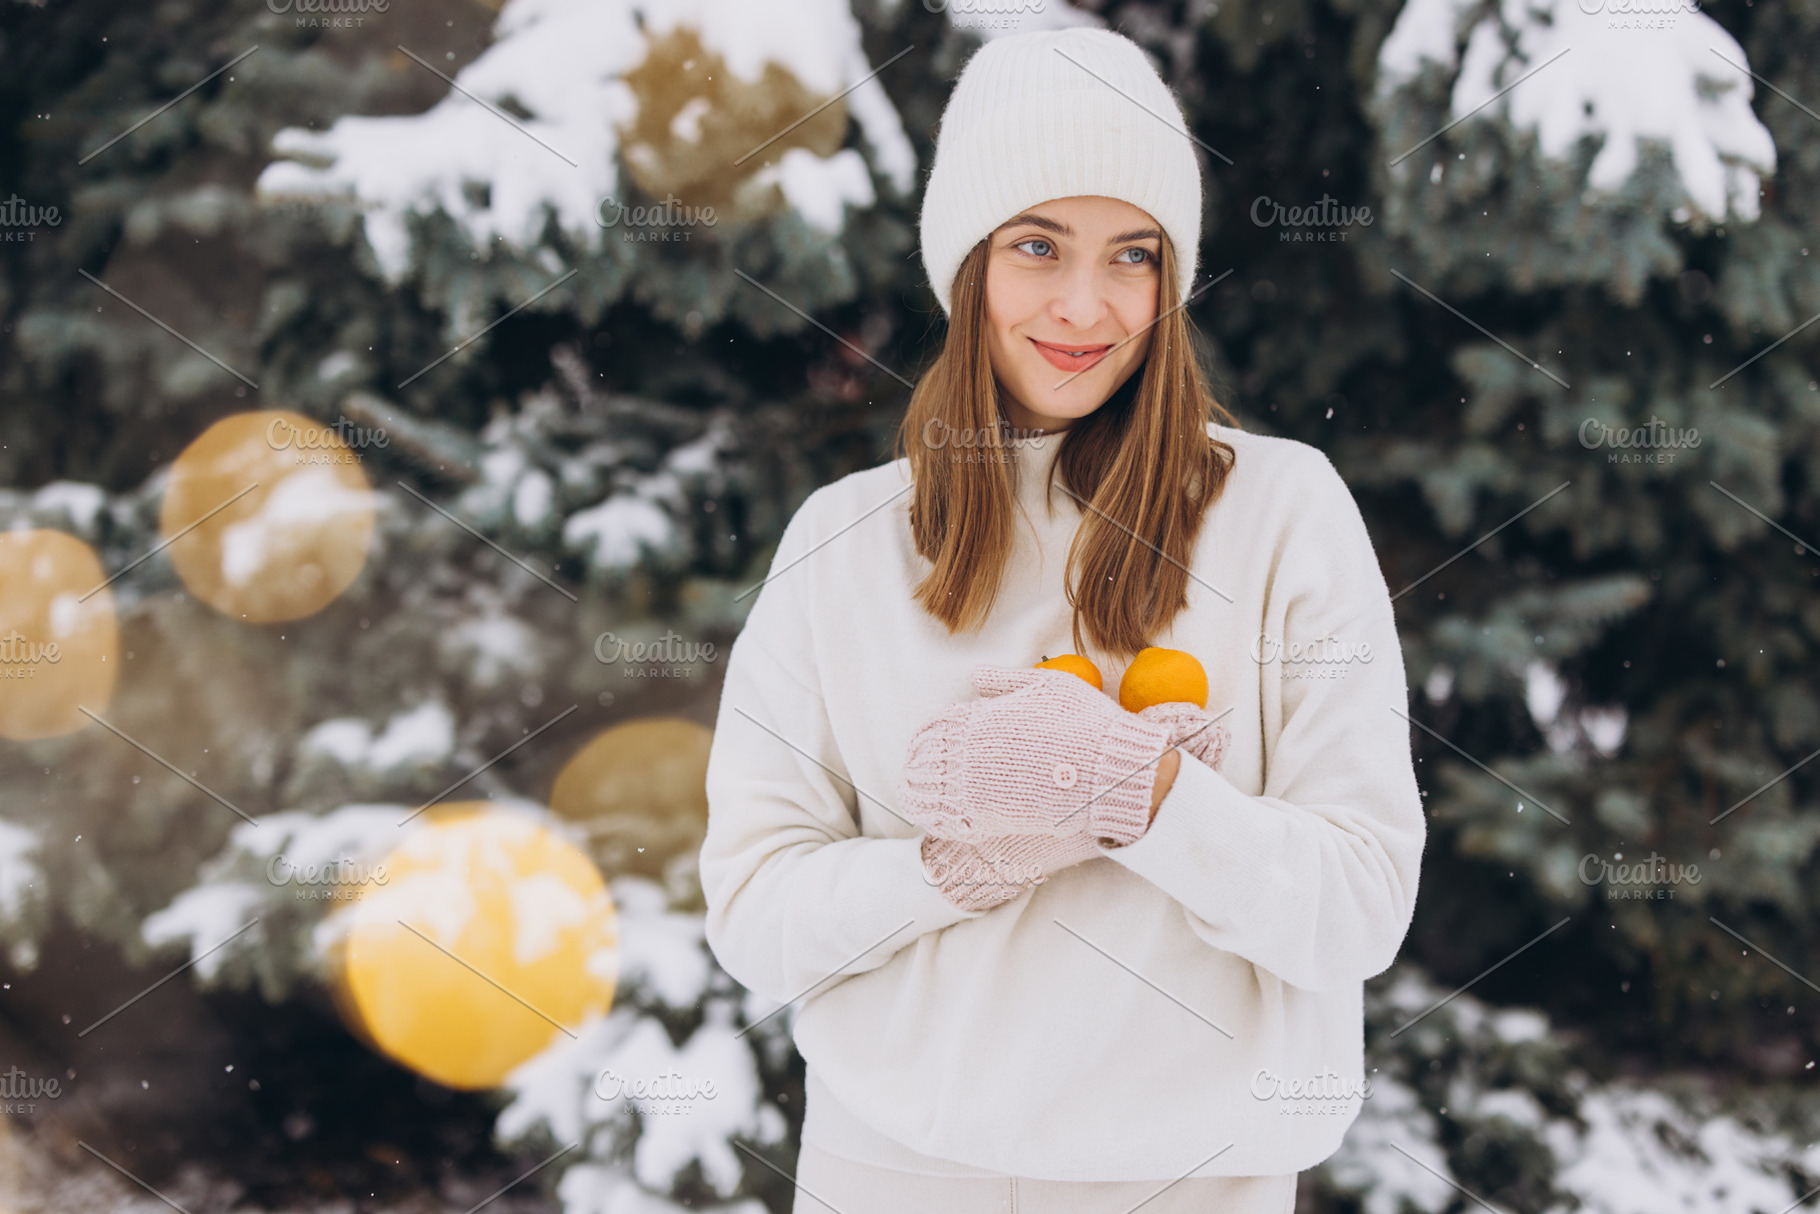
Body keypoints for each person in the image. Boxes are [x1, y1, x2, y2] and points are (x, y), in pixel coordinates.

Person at [700, 25, 1426, 1214]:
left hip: (1196, 1183)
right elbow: (755, 915)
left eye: (1131, 255)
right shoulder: (842, 540)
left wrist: (1143, 792)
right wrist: (953, 866)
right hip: (893, 1177)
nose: (1085, 306)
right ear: (968, 265)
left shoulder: (1282, 510)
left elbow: (1356, 905)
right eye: (1036, 245)